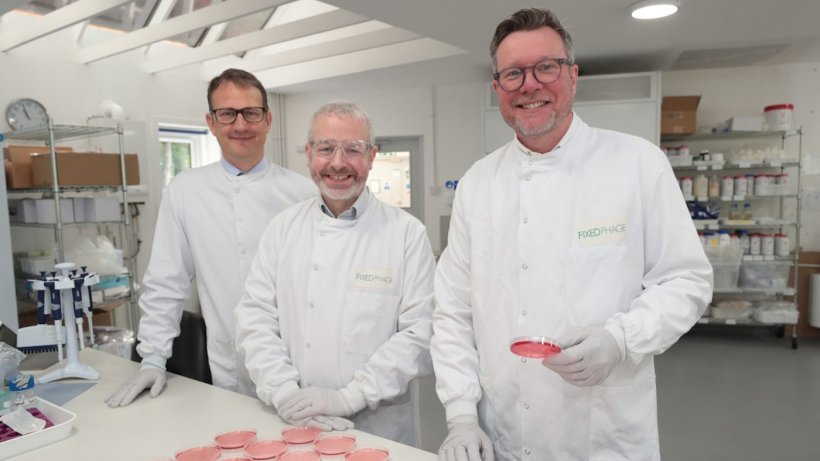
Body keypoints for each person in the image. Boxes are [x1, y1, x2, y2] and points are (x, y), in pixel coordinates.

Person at [431, 8, 713, 461]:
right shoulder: (478, 184)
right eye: (513, 73)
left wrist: (621, 338)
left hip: (603, 431)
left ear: (573, 76)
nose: (530, 84)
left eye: (546, 67)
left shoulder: (637, 164)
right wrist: (462, 413)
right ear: (497, 88)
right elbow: (451, 310)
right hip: (504, 427)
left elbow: (686, 281)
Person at [106, 68, 316, 407]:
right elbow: (166, 282)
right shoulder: (186, 192)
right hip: (227, 364)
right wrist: (153, 358)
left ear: (268, 119)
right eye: (227, 113)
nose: (241, 124)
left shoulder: (304, 193)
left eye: (251, 112)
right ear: (211, 122)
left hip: (301, 366)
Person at [234, 101, 435, 445]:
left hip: (377, 428)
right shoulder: (282, 229)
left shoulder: (406, 233)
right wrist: (283, 392)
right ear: (309, 154)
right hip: (293, 421)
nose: (338, 163)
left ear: (372, 156)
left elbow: (420, 333)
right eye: (326, 148)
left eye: (353, 149)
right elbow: (255, 319)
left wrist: (350, 397)